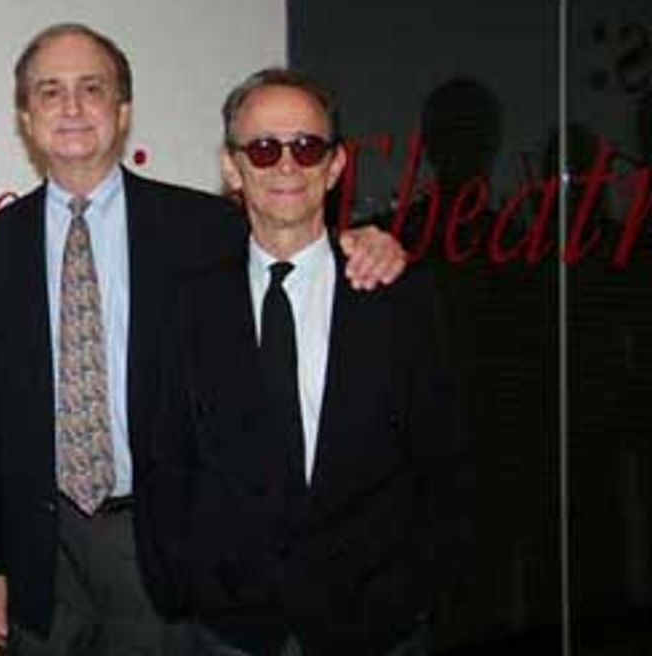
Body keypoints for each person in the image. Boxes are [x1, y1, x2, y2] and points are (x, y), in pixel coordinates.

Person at [0, 23, 408, 655]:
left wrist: (364, 240)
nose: (73, 107)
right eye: (50, 92)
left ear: (123, 111)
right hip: (38, 552)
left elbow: (296, 250)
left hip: (161, 542)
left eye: (92, 88)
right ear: (26, 117)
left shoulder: (205, 228)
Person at [147, 68, 471, 655]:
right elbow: (168, 460)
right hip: (232, 628)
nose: (287, 166)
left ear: (337, 164)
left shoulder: (399, 295)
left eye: (308, 147)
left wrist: (416, 591)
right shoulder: (189, 304)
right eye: (265, 149)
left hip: (377, 627)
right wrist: (189, 585)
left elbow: (444, 462)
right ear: (232, 167)